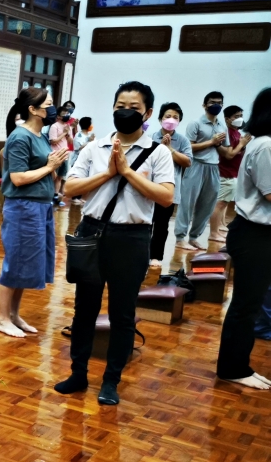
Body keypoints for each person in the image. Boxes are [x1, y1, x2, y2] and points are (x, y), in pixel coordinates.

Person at [56, 81, 175, 406]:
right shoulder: (94, 148)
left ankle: (111, 381)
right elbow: (70, 188)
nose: (126, 111)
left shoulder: (158, 152)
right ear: (113, 108)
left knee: (122, 315)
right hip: (92, 233)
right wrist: (109, 173)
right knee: (84, 312)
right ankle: (78, 374)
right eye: (121, 105)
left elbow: (166, 197)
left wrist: (127, 171)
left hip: (132, 239)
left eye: (134, 108)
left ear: (147, 113)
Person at [0, 88, 67, 338]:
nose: (52, 109)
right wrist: (49, 167)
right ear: (33, 110)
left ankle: (14, 315)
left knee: (26, 264)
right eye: (48, 104)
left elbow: (48, 168)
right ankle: (2, 318)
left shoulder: (40, 135)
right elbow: (17, 178)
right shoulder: (20, 136)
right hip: (22, 207)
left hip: (40, 207)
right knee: (15, 262)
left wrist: (56, 164)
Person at [215, 88, 271, 391]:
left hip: (260, 234)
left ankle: (239, 364)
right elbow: (270, 193)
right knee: (245, 305)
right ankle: (233, 368)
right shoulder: (266, 146)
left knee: (250, 304)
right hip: (254, 235)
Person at [175, 91, 227, 250]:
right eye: (212, 102)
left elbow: (224, 150)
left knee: (207, 205)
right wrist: (211, 142)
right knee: (187, 203)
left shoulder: (222, 126)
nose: (216, 105)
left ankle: (194, 237)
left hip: (213, 167)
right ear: (204, 105)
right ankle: (180, 238)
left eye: (219, 102)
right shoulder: (195, 123)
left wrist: (218, 145)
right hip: (196, 165)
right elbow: (188, 147)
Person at [149, 103, 193, 268]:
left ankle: (156, 256)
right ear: (160, 119)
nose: (171, 120)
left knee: (162, 224)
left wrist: (169, 149)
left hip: (169, 189)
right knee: (145, 222)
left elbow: (188, 162)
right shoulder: (150, 137)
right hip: (149, 187)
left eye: (175, 117)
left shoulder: (182, 141)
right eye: (168, 116)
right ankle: (141, 254)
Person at [210, 105, 251, 244]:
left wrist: (243, 144)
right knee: (220, 204)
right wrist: (242, 144)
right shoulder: (226, 133)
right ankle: (213, 233)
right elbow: (230, 155)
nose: (239, 119)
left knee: (225, 202)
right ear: (227, 119)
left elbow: (239, 152)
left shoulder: (236, 132)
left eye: (241, 116)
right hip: (225, 173)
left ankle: (220, 226)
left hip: (233, 173)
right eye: (236, 116)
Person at [48, 107, 73, 208]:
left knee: (60, 177)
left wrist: (68, 134)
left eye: (67, 113)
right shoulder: (54, 126)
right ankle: (48, 197)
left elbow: (70, 142)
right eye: (64, 113)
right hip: (55, 154)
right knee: (52, 177)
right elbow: (53, 141)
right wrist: (64, 133)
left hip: (65, 155)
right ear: (58, 116)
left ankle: (55, 197)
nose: (67, 115)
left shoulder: (68, 126)